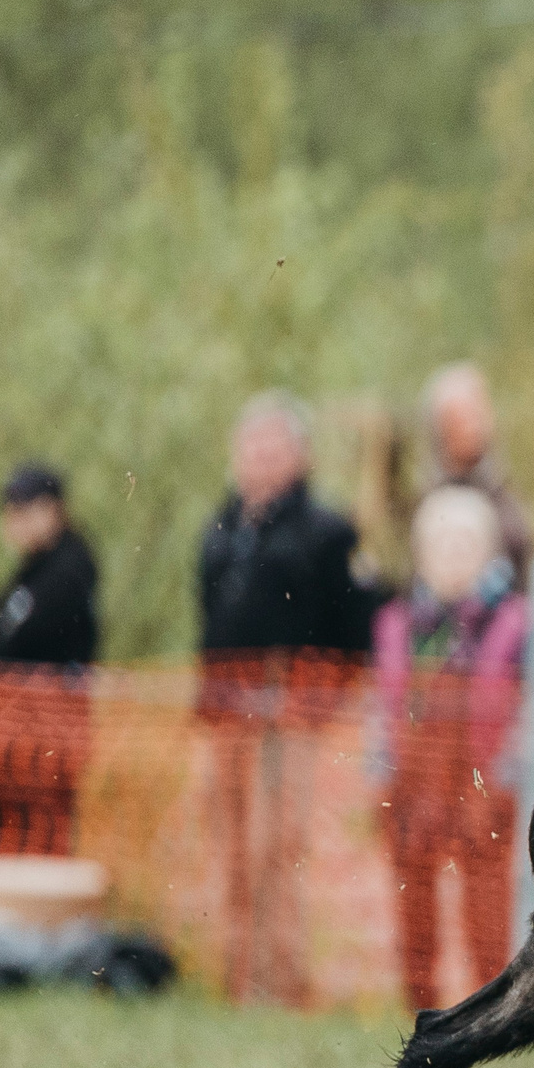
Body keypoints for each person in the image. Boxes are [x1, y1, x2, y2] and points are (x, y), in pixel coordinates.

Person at [197, 392, 373, 1005]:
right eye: (251, 446)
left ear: (300, 456)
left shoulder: (327, 532)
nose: (260, 458)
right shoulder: (218, 529)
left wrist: (323, 704)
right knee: (234, 849)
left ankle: (285, 983)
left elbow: (357, 632)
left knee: (283, 850)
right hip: (227, 714)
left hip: (295, 715)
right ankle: (237, 978)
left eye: (273, 446)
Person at [371, 488, 528, 1012]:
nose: (452, 553)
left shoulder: (516, 622)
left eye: (465, 542)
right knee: (411, 896)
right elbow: (381, 707)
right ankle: (420, 1011)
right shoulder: (397, 624)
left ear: (489, 551)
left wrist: (510, 775)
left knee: (487, 900)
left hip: (484, 776)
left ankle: (494, 1008)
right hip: (413, 779)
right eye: (440, 543)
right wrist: (381, 773)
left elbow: (531, 708)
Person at [0, 464, 101, 856]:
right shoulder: (31, 573)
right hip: (13, 735)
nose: (15, 521)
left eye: (26, 509)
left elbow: (22, 640)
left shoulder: (68, 571)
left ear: (54, 510)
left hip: (45, 734)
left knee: (40, 842)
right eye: (11, 510)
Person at [420, 363, 534, 587]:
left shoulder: (503, 491)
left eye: (479, 414)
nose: (476, 427)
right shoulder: (428, 501)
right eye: (463, 418)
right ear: (439, 426)